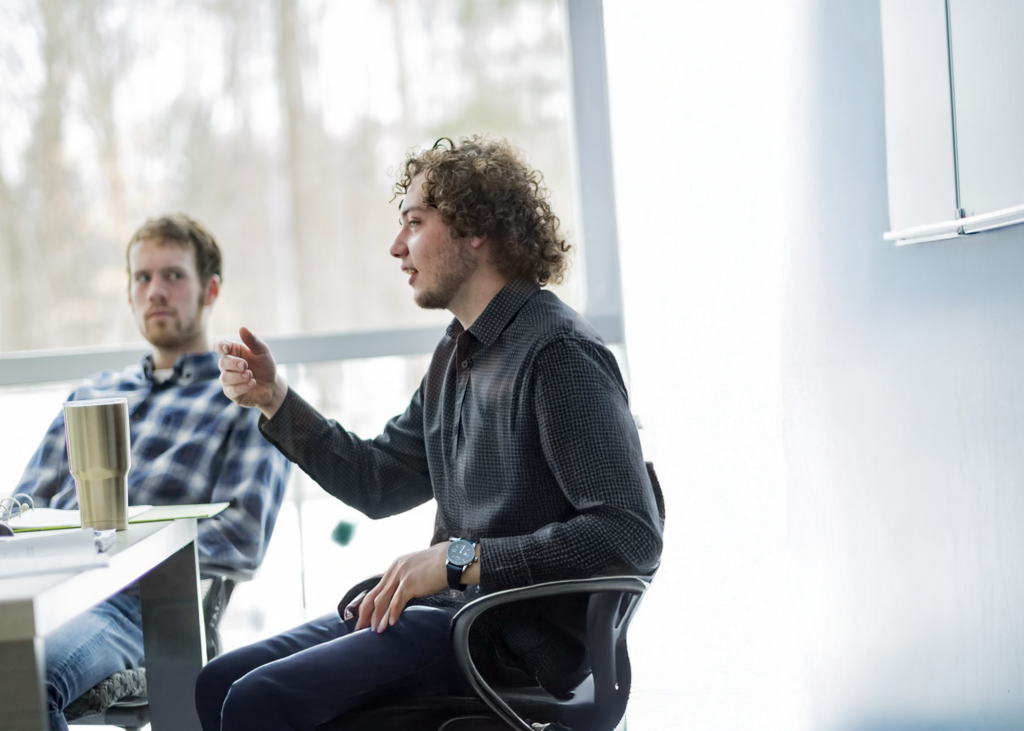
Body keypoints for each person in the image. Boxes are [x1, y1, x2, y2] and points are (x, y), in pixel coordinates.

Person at [196, 136, 664, 731]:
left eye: (415, 224)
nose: (397, 247)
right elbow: (377, 481)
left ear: (475, 230)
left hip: (504, 638)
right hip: (452, 616)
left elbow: (629, 535)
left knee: (256, 704)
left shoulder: (559, 353)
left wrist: (458, 560)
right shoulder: (456, 351)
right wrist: (274, 399)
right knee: (216, 684)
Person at [12, 213, 291, 731]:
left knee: (19, 680)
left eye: (173, 276)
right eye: (142, 278)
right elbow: (21, 507)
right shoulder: (92, 395)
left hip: (140, 609)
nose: (156, 291)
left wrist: (112, 549)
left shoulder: (245, 398)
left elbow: (243, 539)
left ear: (210, 290)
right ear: (129, 294)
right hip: (38, 597)